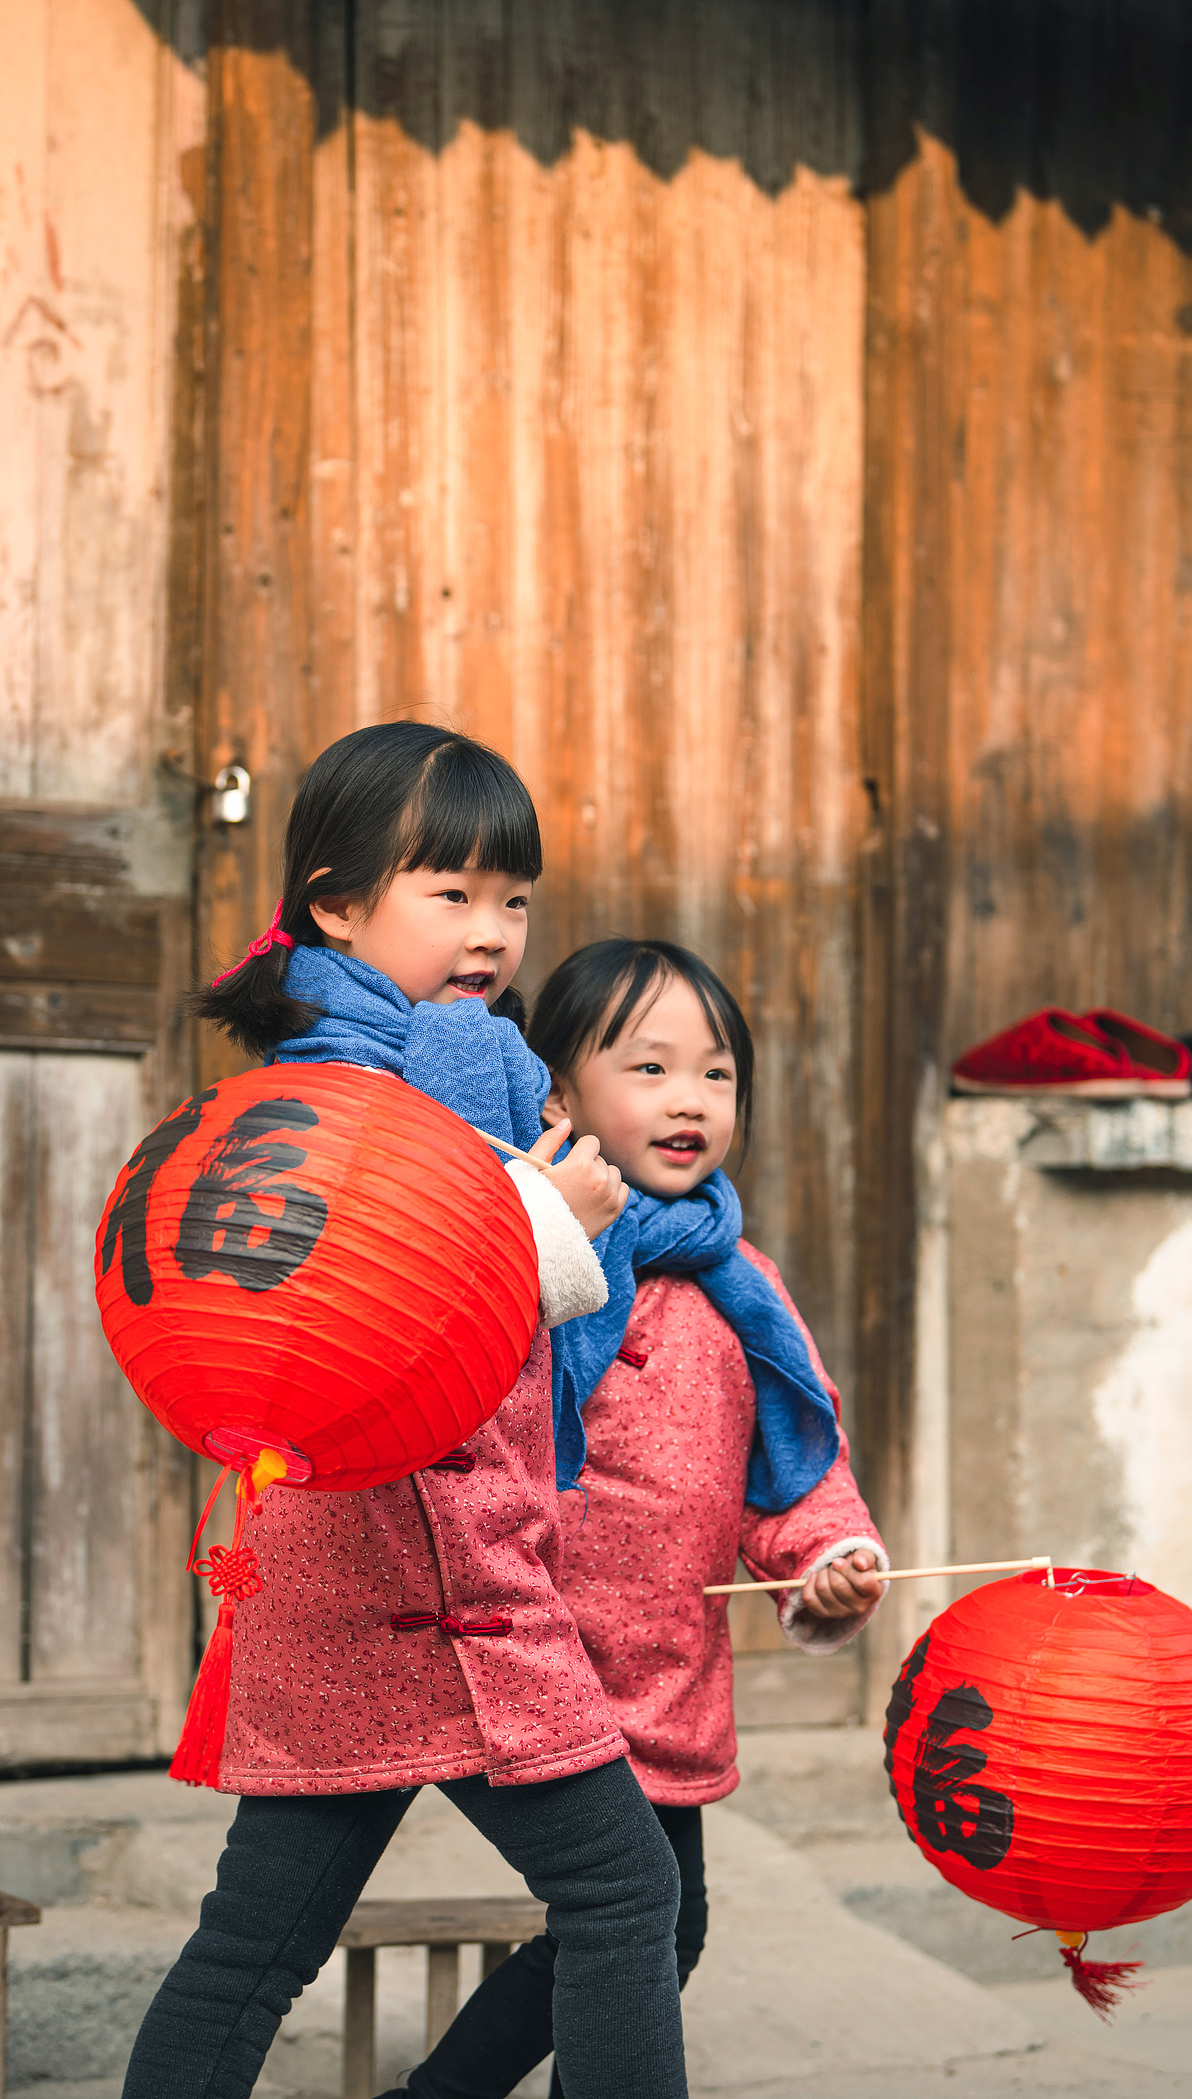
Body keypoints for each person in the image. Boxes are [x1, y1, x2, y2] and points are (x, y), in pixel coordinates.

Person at [120, 728, 689, 2099]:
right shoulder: (415, 1070)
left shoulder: (310, 1078)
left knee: (254, 1946)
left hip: (333, 1584)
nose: (492, 931)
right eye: (452, 892)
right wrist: (556, 1215)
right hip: (434, 1577)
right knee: (624, 1892)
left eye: (515, 898)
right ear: (335, 903)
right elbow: (399, 1306)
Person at [413, 936, 888, 2099]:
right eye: (650, 1068)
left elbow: (792, 1468)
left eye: (715, 1073)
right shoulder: (537, 1264)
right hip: (537, 1660)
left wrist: (825, 1558)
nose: (689, 1100)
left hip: (662, 1669)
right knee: (631, 1918)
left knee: (650, 1932)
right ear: (559, 1097)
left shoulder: (742, 1286)